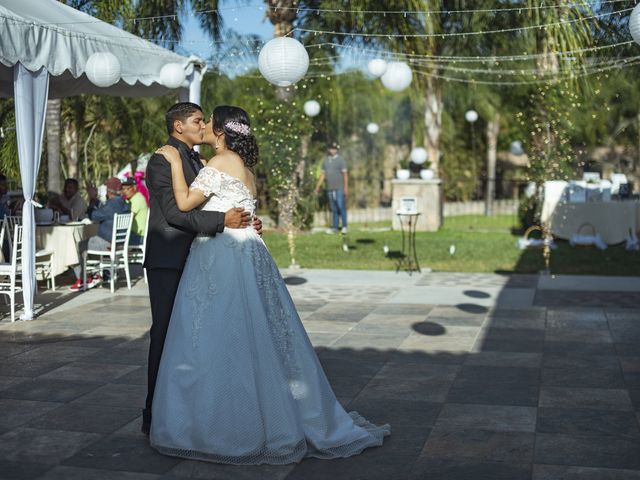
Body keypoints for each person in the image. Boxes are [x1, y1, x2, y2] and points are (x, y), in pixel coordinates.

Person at [151, 105, 389, 465]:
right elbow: (221, 206)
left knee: (218, 334)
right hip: (247, 253)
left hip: (222, 256)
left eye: (207, 120)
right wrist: (245, 221)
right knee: (254, 331)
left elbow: (183, 203)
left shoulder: (217, 163)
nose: (204, 125)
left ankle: (225, 425)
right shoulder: (245, 168)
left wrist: (172, 163)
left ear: (220, 129)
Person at [141, 102, 256, 436]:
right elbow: (175, 215)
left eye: (206, 120)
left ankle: (195, 407)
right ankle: (154, 412)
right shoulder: (163, 159)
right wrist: (224, 220)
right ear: (178, 126)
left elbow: (216, 197)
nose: (203, 124)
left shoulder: (202, 160)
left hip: (200, 257)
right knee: (164, 335)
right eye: (196, 120)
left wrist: (244, 220)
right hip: (168, 259)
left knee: (195, 336)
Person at [69, 177, 129, 291]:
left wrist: (92, 198)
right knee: (90, 242)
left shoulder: (112, 205)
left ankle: (82, 279)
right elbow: (102, 210)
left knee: (78, 246)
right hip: (118, 242)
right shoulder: (122, 203)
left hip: (107, 243)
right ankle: (96, 275)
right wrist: (95, 199)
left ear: (109, 191)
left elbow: (93, 215)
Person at [315, 143, 349, 234]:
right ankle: (335, 227)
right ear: (328, 150)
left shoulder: (341, 160)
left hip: (339, 187)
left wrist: (346, 187)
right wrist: (318, 185)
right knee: (333, 208)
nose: (332, 150)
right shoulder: (325, 161)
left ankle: (344, 226)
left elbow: (345, 175)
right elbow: (323, 175)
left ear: (337, 150)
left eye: (334, 148)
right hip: (330, 188)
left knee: (340, 206)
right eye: (331, 148)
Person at [121, 177, 148, 245]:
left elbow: (127, 219)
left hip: (139, 236)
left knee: (111, 237)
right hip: (135, 234)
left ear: (135, 188)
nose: (125, 191)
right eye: (123, 189)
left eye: (128, 188)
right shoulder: (130, 199)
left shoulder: (137, 199)